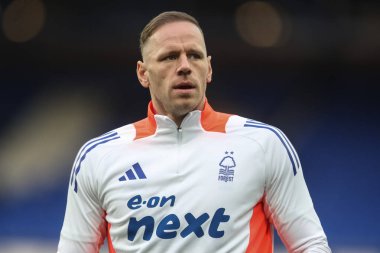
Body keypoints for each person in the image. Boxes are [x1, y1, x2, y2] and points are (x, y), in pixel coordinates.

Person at [57, 11, 331, 253]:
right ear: (143, 73)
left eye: (195, 56)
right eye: (169, 57)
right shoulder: (99, 157)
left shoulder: (263, 144)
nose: (185, 66)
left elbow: (310, 245)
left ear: (208, 68)